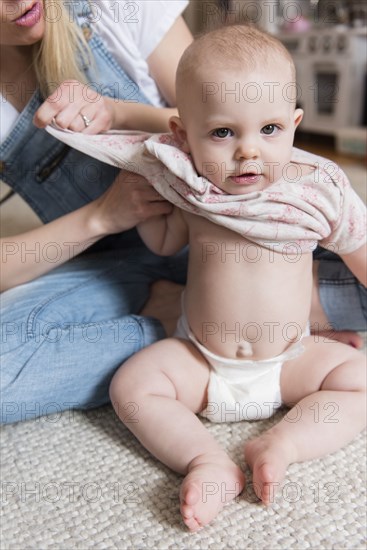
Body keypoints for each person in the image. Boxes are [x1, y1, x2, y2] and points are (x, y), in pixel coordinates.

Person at [105, 25, 367, 531]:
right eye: (223, 133)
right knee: (132, 385)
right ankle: (205, 460)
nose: (249, 151)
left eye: (269, 130)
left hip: (290, 357)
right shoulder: (192, 190)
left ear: (294, 124)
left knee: (359, 382)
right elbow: (163, 244)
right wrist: (139, 196)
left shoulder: (316, 192)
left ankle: (282, 443)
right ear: (183, 134)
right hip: (202, 361)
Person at [0, 0, 192, 424]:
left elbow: (239, 125)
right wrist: (103, 216)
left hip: (228, 237)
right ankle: (179, 317)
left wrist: (118, 112)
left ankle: (236, 312)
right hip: (121, 268)